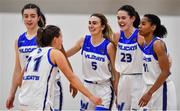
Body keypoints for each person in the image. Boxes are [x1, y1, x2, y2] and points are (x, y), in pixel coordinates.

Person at [12, 25, 102, 110]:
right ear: (55, 39)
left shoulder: (33, 53)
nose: (62, 41)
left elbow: (19, 81)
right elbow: (72, 78)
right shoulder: (55, 53)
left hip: (24, 101)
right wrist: (91, 96)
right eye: (61, 37)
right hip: (39, 103)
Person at [6, 3, 77, 110]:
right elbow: (17, 69)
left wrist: (73, 81)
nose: (29, 19)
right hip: (30, 89)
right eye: (26, 16)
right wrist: (12, 93)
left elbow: (64, 58)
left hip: (51, 87)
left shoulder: (47, 35)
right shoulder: (19, 40)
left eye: (32, 16)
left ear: (39, 17)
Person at [66, 13, 118, 110]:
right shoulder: (84, 40)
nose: (91, 26)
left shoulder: (108, 46)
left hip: (104, 88)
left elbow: (115, 69)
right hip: (87, 87)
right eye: (89, 23)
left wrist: (117, 86)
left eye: (94, 23)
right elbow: (65, 55)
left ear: (102, 26)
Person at [138, 14, 177, 110]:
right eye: (140, 24)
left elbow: (166, 72)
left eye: (143, 24)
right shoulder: (145, 44)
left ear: (153, 27)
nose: (139, 26)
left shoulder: (157, 44)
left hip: (162, 89)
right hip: (150, 87)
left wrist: (149, 93)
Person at [112, 5, 145, 110]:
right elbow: (116, 61)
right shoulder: (116, 36)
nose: (120, 20)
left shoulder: (140, 36)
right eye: (118, 18)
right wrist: (116, 82)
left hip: (138, 79)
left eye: (123, 18)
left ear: (132, 18)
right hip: (123, 78)